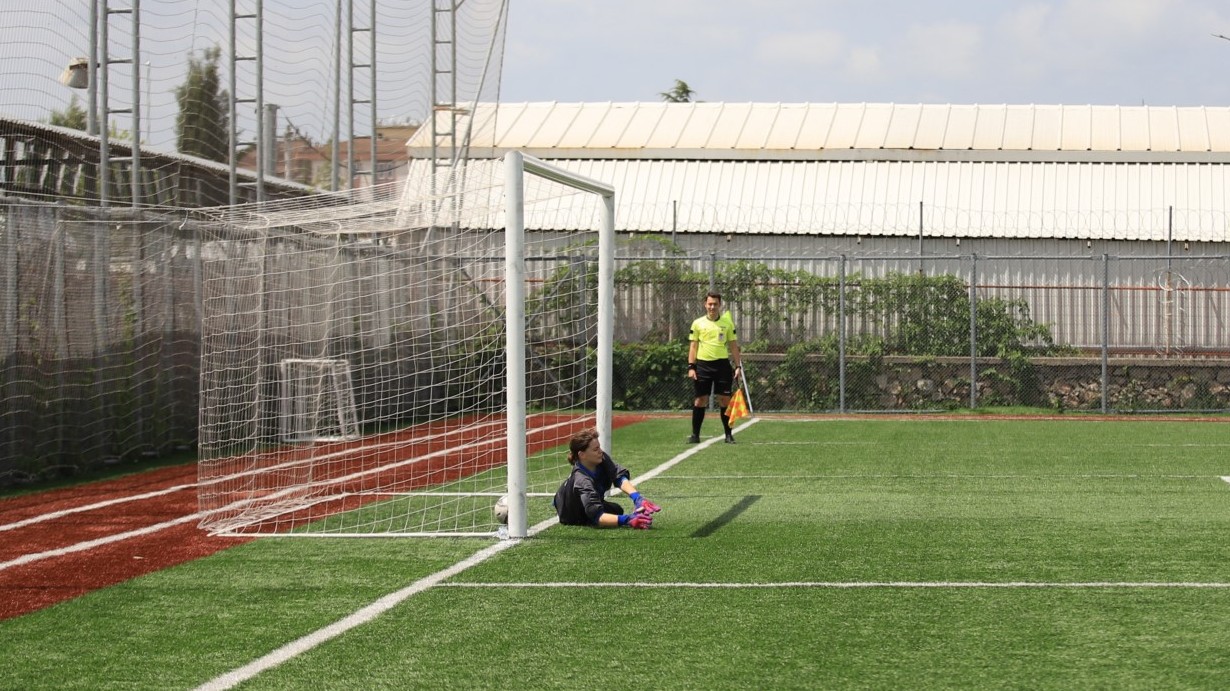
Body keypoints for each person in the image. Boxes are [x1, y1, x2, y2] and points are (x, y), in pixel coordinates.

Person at [553, 428, 662, 529]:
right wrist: (628, 520)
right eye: (596, 449)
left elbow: (618, 476)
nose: (600, 451)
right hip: (572, 514)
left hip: (583, 502)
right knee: (599, 519)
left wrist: (637, 498)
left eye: (599, 447)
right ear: (582, 455)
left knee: (617, 510)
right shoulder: (582, 480)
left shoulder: (601, 458)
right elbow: (597, 516)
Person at [687, 292, 743, 444]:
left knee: (725, 400)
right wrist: (691, 367)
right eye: (710, 304)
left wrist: (738, 366)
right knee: (700, 400)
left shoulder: (727, 324)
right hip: (703, 366)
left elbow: (733, 346)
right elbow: (693, 346)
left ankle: (728, 435)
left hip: (722, 366)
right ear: (705, 304)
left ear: (720, 305)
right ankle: (695, 435)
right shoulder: (697, 323)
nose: (712, 307)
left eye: (715, 304)